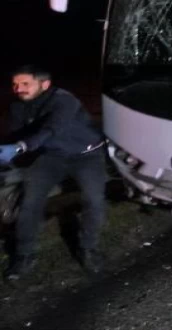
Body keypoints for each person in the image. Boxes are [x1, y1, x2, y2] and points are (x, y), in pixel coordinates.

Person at [1, 65, 108, 280]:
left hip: (87, 155)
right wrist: (8, 150)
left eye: (25, 84)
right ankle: (24, 254)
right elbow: (16, 135)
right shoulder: (18, 107)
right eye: (15, 85)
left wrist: (21, 146)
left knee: (94, 200)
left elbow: (52, 128)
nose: (18, 89)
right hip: (52, 157)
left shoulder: (64, 100)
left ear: (45, 84)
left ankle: (88, 249)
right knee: (30, 202)